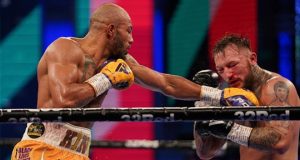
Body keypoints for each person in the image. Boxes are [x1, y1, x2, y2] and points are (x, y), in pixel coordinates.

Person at [11, 3, 259, 160]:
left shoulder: (119, 61)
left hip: (77, 151)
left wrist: (218, 96)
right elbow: (64, 100)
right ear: (110, 30)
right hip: (42, 149)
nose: (131, 38)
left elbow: (165, 83)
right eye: (127, 30)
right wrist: (105, 79)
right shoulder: (65, 49)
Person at [193, 34, 300, 160]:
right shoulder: (234, 97)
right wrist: (203, 106)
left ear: (252, 59)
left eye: (232, 65)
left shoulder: (277, 86)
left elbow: (281, 142)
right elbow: (205, 152)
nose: (227, 75)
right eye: (220, 70)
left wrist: (230, 130)